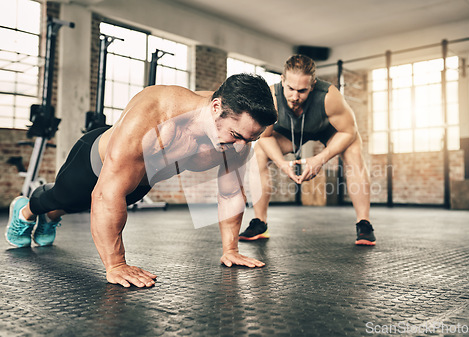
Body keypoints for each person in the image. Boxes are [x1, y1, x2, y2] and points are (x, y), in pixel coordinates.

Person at [5, 73, 277, 288]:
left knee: (76, 207)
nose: (241, 145)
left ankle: (50, 218)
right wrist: (116, 265)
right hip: (94, 161)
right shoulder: (157, 116)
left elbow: (230, 193)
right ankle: (25, 210)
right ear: (216, 107)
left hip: (141, 179)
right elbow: (104, 195)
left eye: (250, 139)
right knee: (62, 197)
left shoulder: (239, 135)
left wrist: (230, 249)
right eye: (236, 135)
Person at [239, 55, 376, 246]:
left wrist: (320, 159)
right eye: (290, 89)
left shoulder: (329, 96)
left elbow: (349, 131)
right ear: (282, 80)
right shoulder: (271, 97)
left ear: (312, 86)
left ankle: (364, 223)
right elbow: (265, 136)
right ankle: (260, 222)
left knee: (353, 152)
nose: (295, 97)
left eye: (302, 91)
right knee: (259, 152)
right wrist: (283, 164)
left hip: (328, 129)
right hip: (289, 132)